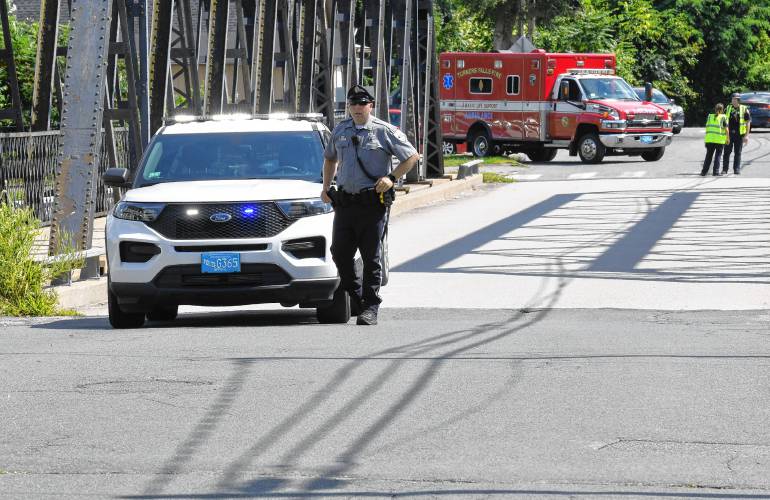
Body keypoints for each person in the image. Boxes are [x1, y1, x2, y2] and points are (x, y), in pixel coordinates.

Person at [321, 85, 419, 325]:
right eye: (353, 104)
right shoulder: (341, 130)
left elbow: (412, 156)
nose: (357, 108)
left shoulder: (383, 131)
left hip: (372, 204)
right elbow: (330, 158)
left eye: (362, 104)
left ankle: (371, 307)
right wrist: (326, 187)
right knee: (339, 252)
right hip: (345, 203)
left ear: (370, 105)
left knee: (370, 257)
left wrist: (392, 178)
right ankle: (358, 297)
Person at [722, 93, 751, 175]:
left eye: (734, 99)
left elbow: (748, 123)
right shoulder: (728, 108)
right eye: (732, 99)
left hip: (739, 135)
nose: (733, 100)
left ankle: (736, 169)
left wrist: (746, 136)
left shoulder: (744, 109)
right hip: (729, 134)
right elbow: (723, 120)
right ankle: (725, 169)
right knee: (726, 152)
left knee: (737, 153)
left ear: (738, 100)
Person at [701, 103, 729, 177]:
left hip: (710, 140)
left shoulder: (710, 116)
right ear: (722, 110)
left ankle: (704, 172)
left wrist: (706, 139)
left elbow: (707, 128)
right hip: (719, 140)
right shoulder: (723, 117)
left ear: (715, 109)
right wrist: (728, 138)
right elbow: (726, 129)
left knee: (708, 156)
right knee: (718, 156)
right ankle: (715, 172)